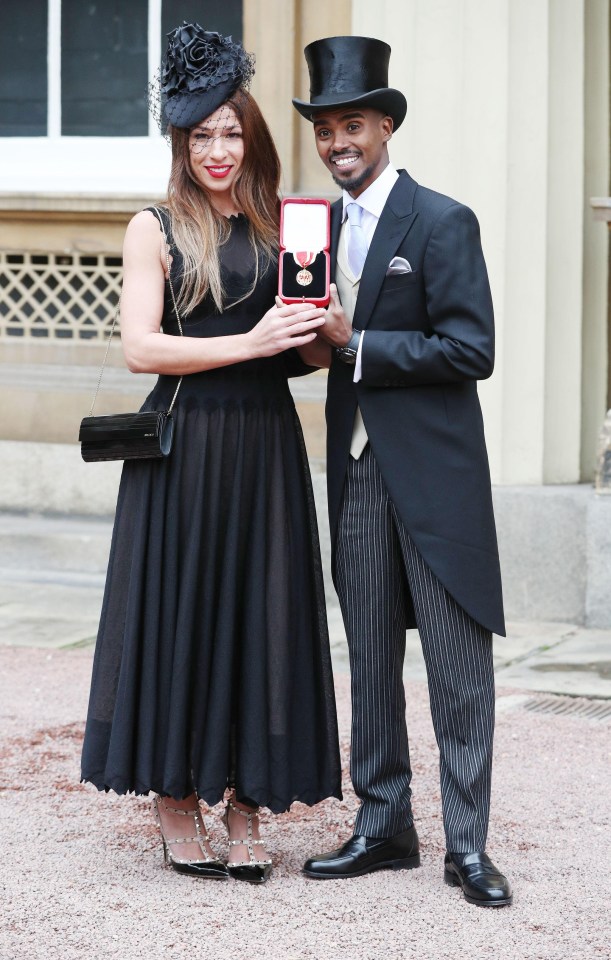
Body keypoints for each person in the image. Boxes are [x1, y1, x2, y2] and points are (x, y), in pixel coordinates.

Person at [80, 22, 342, 885]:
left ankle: (245, 805)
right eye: (202, 136)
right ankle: (177, 800)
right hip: (186, 444)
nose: (218, 150)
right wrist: (252, 339)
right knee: (184, 613)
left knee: (257, 617)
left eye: (231, 132)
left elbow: (301, 358)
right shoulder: (154, 226)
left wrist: (322, 328)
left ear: (252, 137)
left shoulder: (283, 224)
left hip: (266, 444)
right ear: (181, 144)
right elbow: (142, 350)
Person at [291, 35, 512, 907]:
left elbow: (472, 347)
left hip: (432, 474)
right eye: (324, 129)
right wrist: (307, 343)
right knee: (371, 656)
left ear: (384, 125)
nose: (337, 142)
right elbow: (327, 349)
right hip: (352, 472)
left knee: (458, 666)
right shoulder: (313, 229)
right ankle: (383, 826)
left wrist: (359, 344)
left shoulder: (443, 219)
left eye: (352, 125)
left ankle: (468, 847)